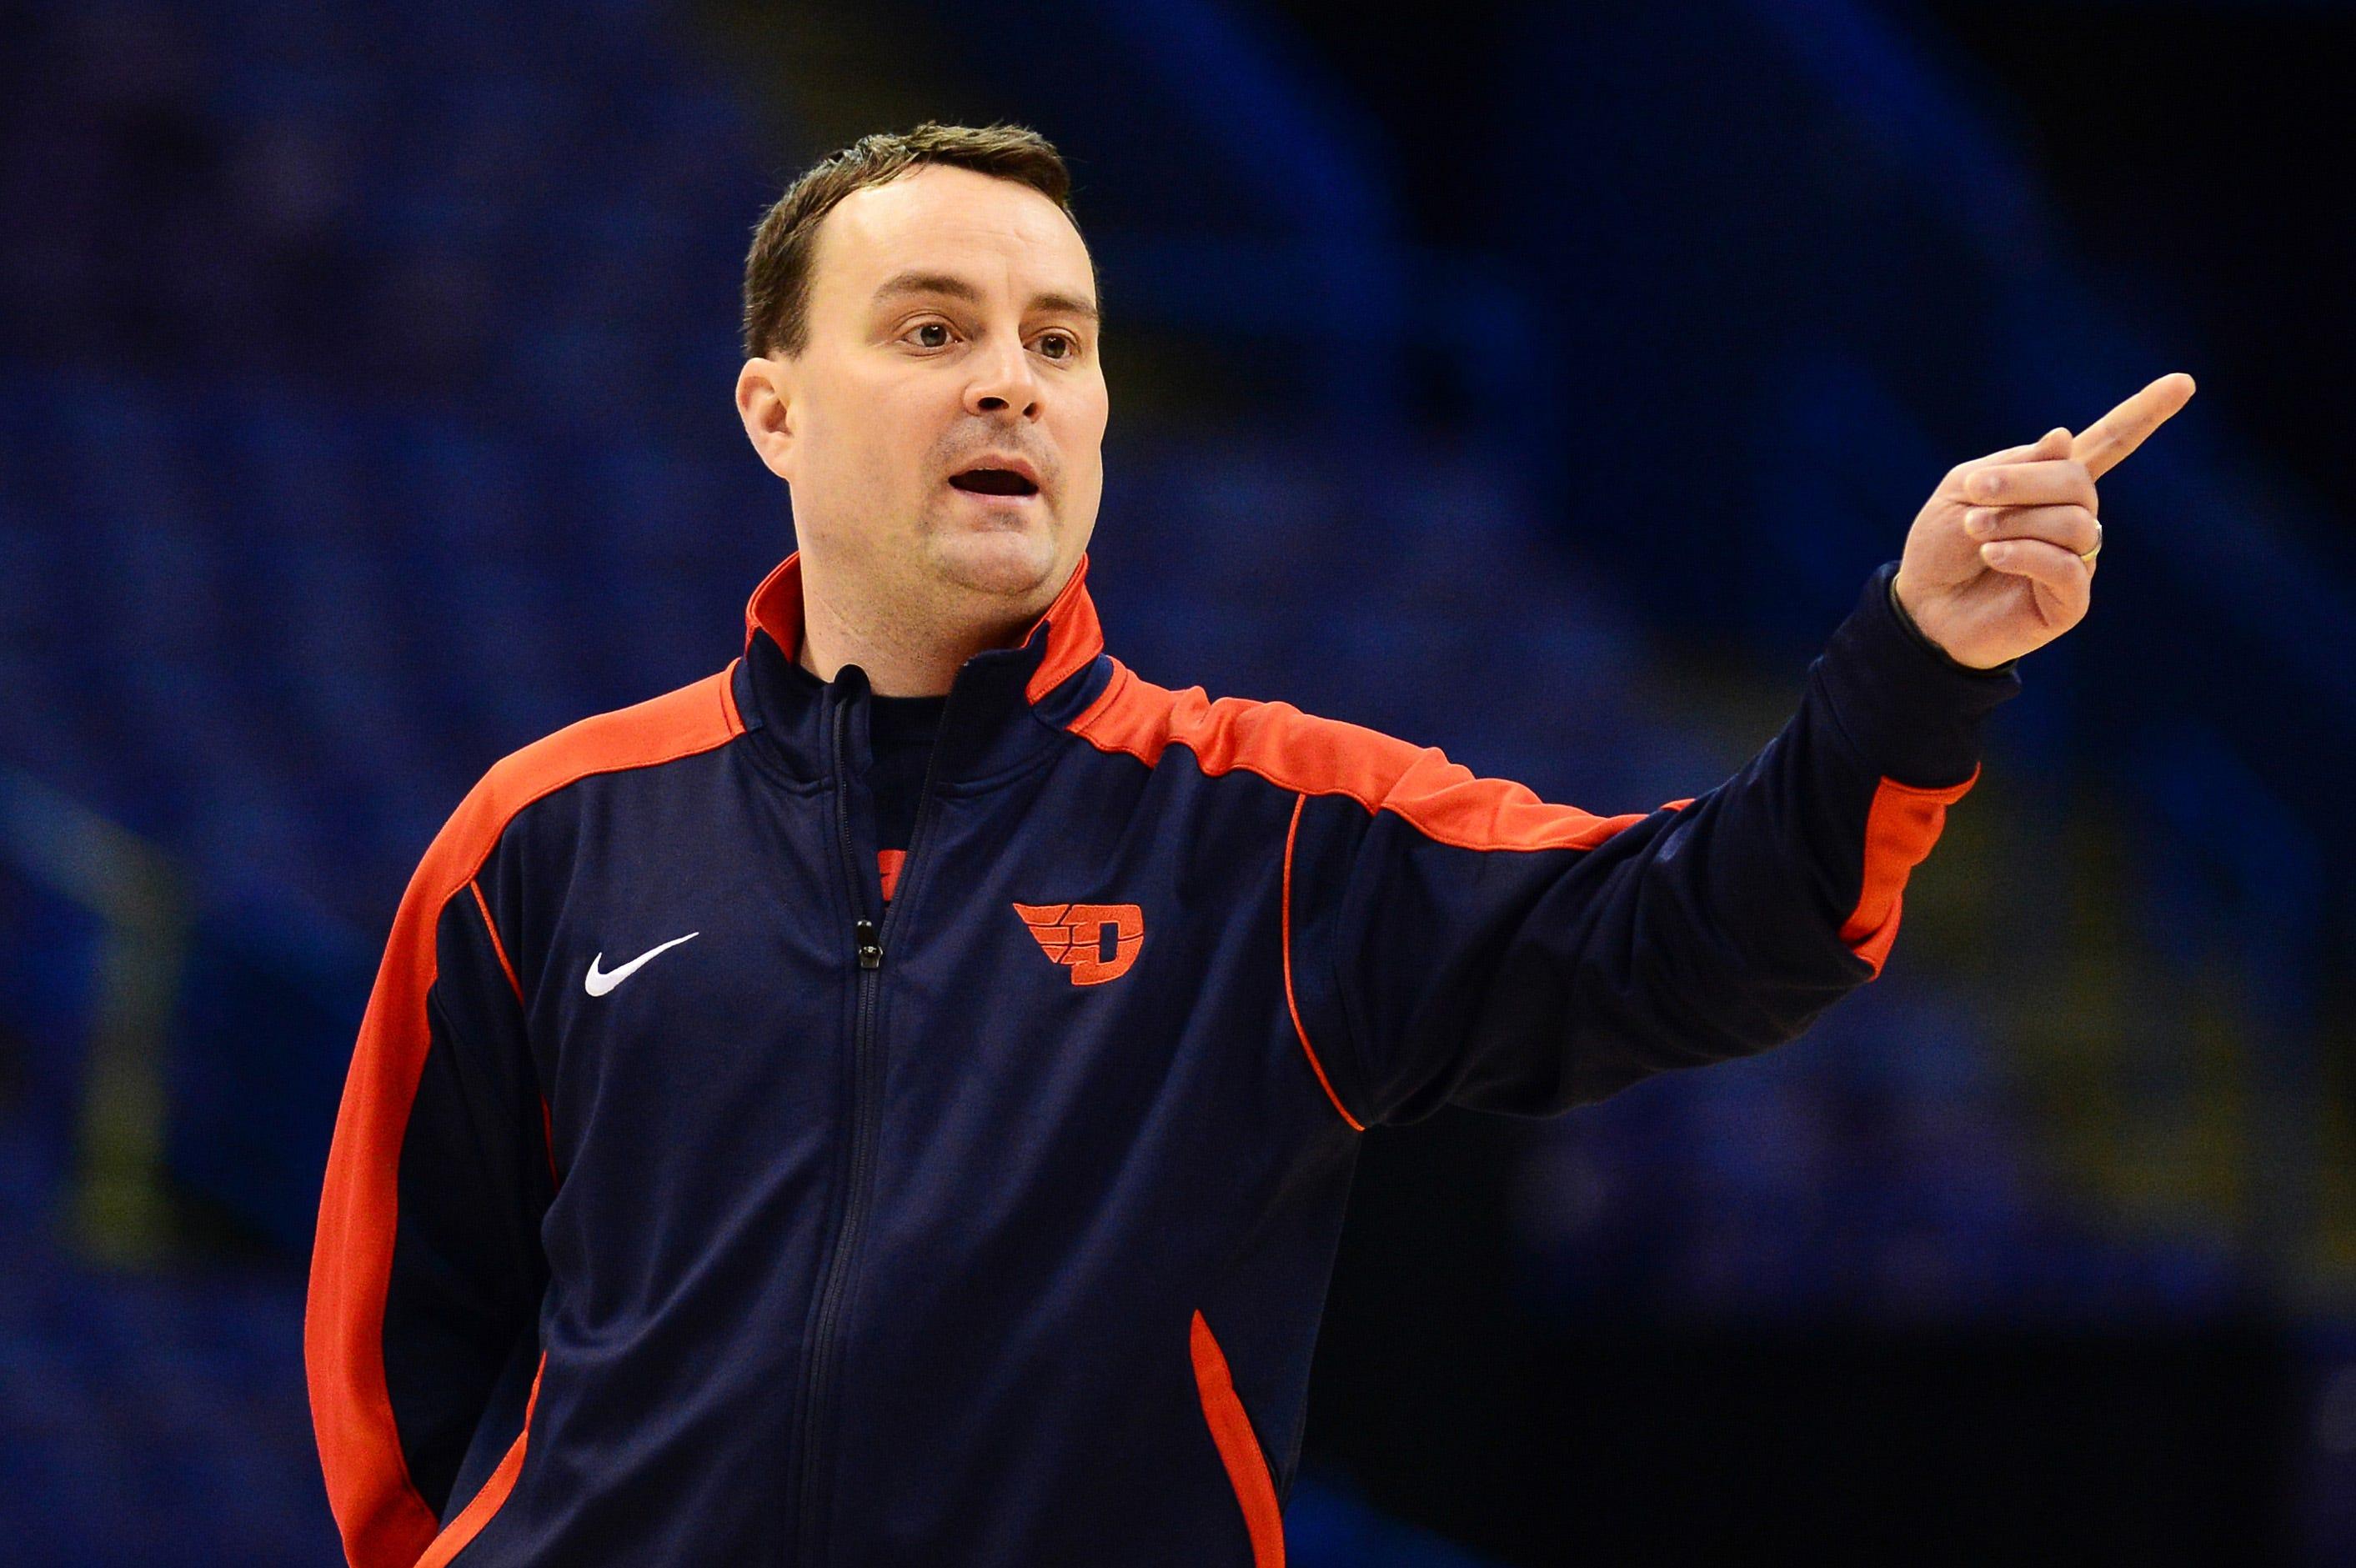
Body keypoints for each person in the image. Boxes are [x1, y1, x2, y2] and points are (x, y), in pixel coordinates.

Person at [303, 121, 2193, 1567]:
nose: (1010, 381)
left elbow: (1706, 927)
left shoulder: (1275, 831)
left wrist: (1917, 662)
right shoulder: (541, 841)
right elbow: (402, 1343)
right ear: (771, 409)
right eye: (933, 328)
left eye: (1062, 339)